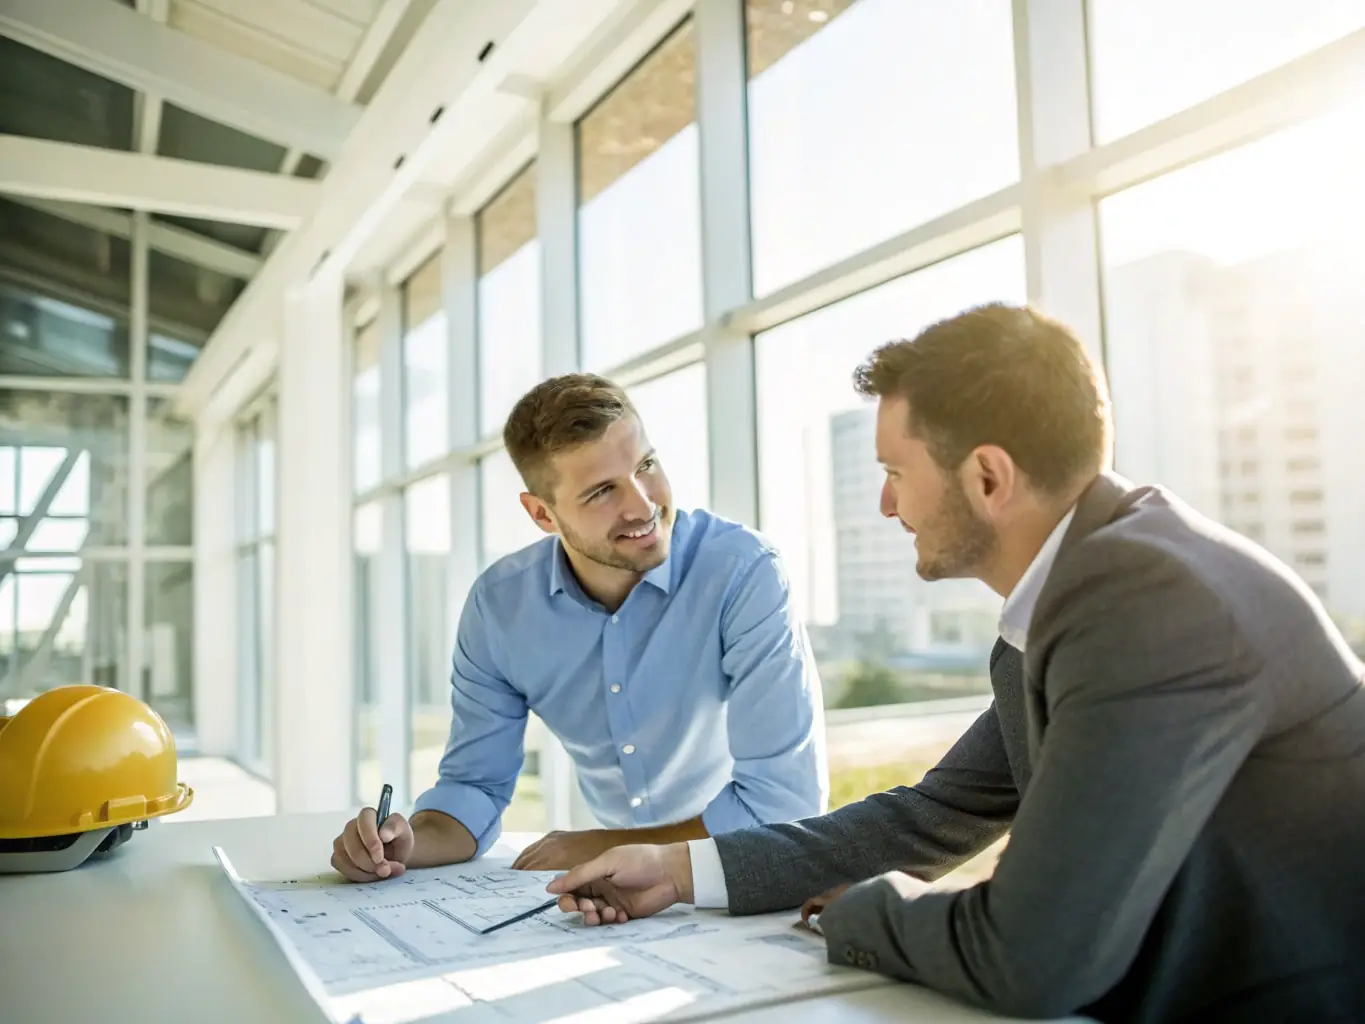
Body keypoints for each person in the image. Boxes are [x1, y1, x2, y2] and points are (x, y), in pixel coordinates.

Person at [545, 304, 1365, 1022]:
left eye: (895, 473)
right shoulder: (1087, 585)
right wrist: (679, 871)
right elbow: (929, 816)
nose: (886, 503)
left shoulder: (1142, 598)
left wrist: (861, 914)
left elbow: (1032, 957)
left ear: (986, 477)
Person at [330, 373, 828, 881]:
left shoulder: (743, 571)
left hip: (748, 872)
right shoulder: (500, 608)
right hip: (626, 892)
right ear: (542, 514)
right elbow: (474, 788)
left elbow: (782, 807)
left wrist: (605, 847)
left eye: (646, 466)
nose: (642, 505)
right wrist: (406, 845)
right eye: (602, 492)